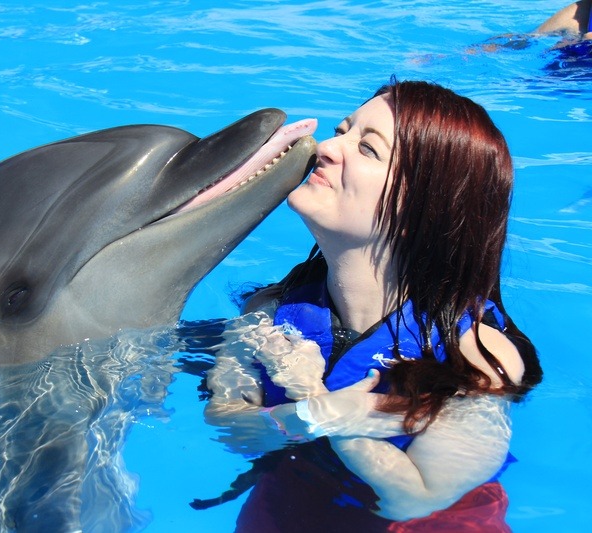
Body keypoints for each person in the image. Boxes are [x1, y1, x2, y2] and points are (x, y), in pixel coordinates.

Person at [202, 79, 543, 532]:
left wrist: (318, 400)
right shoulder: (268, 311)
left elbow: (416, 499)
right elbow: (231, 431)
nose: (325, 148)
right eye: (343, 130)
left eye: (367, 149)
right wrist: (311, 412)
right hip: (286, 510)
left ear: (420, 212)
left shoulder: (475, 356)